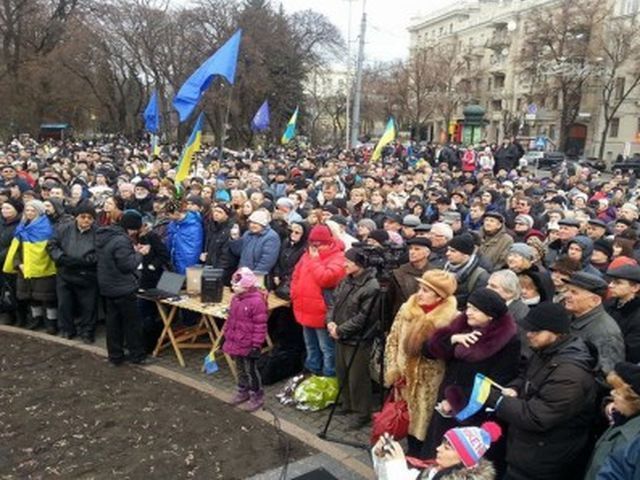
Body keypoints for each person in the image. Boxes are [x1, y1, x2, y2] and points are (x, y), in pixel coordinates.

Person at [489, 302, 597, 480]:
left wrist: (497, 400)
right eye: (528, 329)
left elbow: (537, 417)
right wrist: (515, 388)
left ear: (556, 332)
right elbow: (526, 377)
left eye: (536, 331)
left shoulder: (570, 375)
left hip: (543, 460)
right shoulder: (546, 351)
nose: (529, 334)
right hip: (527, 451)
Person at [422, 288, 520, 465]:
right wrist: (452, 339)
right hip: (444, 402)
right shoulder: (462, 325)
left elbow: (497, 382)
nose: (468, 312)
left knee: (458, 462)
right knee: (436, 453)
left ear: (490, 315)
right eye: (468, 307)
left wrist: (455, 402)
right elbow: (428, 351)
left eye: (475, 309)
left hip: (473, 411)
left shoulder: (508, 342)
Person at [384, 270, 458, 457]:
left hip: (429, 386)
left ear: (439, 296)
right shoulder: (406, 309)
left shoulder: (453, 319)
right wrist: (393, 369)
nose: (419, 293)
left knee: (423, 427)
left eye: (426, 290)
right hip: (403, 381)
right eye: (420, 288)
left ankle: (417, 459)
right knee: (402, 420)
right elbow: (393, 339)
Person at [326, 248, 379, 429]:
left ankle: (362, 413)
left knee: (358, 378)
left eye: (348, 261)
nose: (344, 264)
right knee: (342, 372)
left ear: (359, 264)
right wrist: (331, 323)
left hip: (358, 339)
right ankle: (347, 403)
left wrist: (341, 330)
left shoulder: (372, 286)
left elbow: (365, 317)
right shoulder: (346, 280)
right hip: (340, 335)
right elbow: (333, 302)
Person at [290, 224, 345, 377]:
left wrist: (315, 260)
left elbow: (326, 279)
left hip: (322, 312)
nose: (313, 247)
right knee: (310, 345)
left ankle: (329, 376)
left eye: (317, 244)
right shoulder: (307, 254)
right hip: (304, 308)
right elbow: (296, 274)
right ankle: (312, 371)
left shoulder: (338, 257)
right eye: (311, 244)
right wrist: (294, 294)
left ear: (327, 242)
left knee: (326, 348)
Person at [96, 210, 148, 366]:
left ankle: (115, 356)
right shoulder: (121, 241)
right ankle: (137, 356)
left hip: (108, 286)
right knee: (132, 324)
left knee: (113, 324)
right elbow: (127, 265)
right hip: (123, 288)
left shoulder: (105, 236)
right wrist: (140, 254)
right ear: (132, 227)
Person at [47, 200, 98, 342]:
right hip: (65, 272)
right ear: (77, 216)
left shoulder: (98, 232)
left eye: (89, 218)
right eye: (83, 216)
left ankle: (87, 332)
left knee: (88, 306)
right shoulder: (64, 228)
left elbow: (100, 252)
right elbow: (52, 245)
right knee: (65, 304)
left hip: (87, 275)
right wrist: (61, 258)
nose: (86, 220)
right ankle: (67, 329)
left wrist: (85, 261)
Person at [3, 200, 57, 333]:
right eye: (27, 210)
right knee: (32, 297)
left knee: (48, 298)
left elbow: (49, 249)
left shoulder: (47, 227)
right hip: (25, 267)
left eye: (33, 210)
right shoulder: (21, 227)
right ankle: (36, 319)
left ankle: (51, 323)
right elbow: (16, 248)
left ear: (39, 211)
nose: (29, 213)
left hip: (44, 268)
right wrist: (18, 264)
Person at [373, 423, 501, 480]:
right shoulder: (438, 471)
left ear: (463, 459)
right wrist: (382, 458)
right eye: (442, 444)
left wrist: (396, 464)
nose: (437, 448)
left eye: (447, 447)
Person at [584, 362, 640, 480]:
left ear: (633, 401)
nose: (612, 394)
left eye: (617, 393)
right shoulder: (621, 418)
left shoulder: (631, 438)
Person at [563, 271, 625, 375]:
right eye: (567, 290)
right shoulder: (570, 316)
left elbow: (608, 376)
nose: (566, 295)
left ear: (595, 300)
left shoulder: (605, 333)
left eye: (574, 292)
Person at [224, 267, 268, 412]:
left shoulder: (257, 302)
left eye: (236, 285)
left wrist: (256, 345)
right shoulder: (235, 299)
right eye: (233, 284)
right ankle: (242, 390)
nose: (233, 287)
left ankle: (257, 394)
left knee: (251, 370)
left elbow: (260, 325)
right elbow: (231, 321)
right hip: (237, 341)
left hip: (249, 344)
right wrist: (227, 337)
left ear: (246, 286)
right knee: (240, 368)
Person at [388, 237, 433, 319]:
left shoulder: (435, 274)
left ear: (427, 253)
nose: (412, 252)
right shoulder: (398, 273)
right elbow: (390, 302)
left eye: (417, 249)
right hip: (402, 319)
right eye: (411, 249)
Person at [231, 209, 281, 282]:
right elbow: (238, 252)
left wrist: (254, 276)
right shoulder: (247, 234)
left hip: (258, 277)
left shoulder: (271, 237)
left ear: (263, 224)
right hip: (243, 274)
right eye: (251, 222)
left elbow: (267, 260)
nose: (252, 225)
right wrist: (235, 239)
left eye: (256, 223)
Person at [604, 264, 640, 363]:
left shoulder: (636, 316)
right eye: (611, 281)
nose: (610, 285)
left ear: (635, 288)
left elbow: (632, 352)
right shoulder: (609, 303)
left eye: (618, 283)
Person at [444, 233, 489, 309]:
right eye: (448, 250)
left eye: (453, 251)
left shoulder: (480, 276)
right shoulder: (443, 269)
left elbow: (476, 304)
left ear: (466, 255)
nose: (447, 253)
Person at [202, 203, 238, 285]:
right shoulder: (212, 226)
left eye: (220, 212)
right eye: (215, 211)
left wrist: (218, 271)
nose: (216, 214)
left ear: (227, 215)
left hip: (223, 270)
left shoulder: (231, 229)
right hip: (211, 265)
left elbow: (227, 255)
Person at [166, 200, 204, 274]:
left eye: (169, 214)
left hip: (186, 263)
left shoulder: (194, 226)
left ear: (176, 213)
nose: (168, 216)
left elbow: (193, 250)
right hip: (174, 259)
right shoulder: (173, 223)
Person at [0, 199, 22, 325]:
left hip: (10, 263)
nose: (4, 211)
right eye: (3, 208)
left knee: (11, 291)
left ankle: (14, 316)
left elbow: (13, 246)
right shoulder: (1, 222)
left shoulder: (19, 225)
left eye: (8, 208)